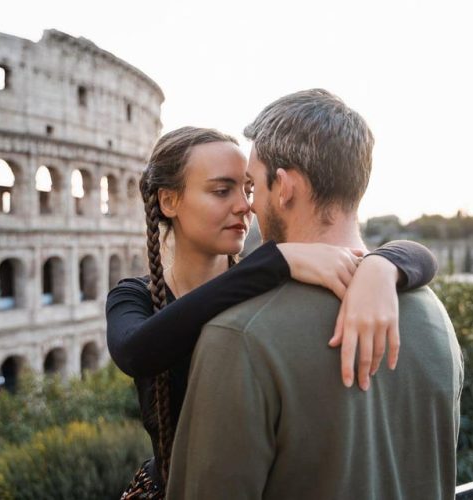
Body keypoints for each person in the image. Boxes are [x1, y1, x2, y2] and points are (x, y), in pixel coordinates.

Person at [106, 127, 437, 496]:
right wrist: (274, 260)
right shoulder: (135, 295)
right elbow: (136, 351)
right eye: (221, 190)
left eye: (247, 189)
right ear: (169, 201)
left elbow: (421, 256)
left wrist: (382, 265)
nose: (245, 205)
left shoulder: (267, 280)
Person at [166, 90, 463, 500]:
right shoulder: (433, 315)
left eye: (253, 186)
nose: (249, 207)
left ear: (285, 187)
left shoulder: (239, 336)